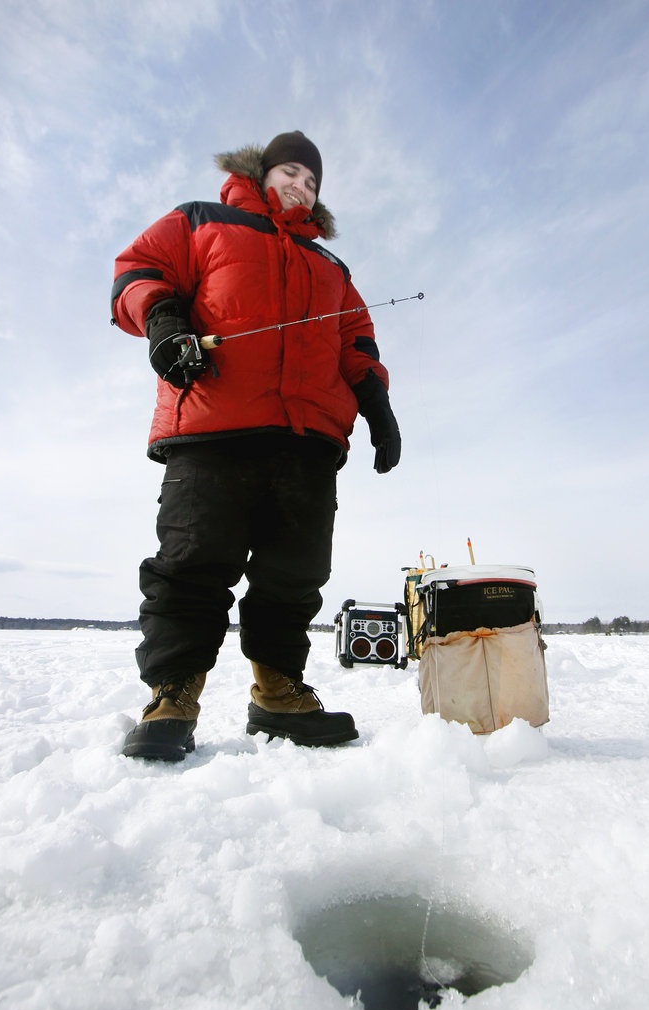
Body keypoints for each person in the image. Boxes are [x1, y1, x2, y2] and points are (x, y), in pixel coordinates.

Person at [111, 131, 401, 761]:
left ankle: (278, 695)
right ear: (263, 172)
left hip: (308, 443)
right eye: (291, 172)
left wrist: (376, 404)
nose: (301, 185)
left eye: (313, 181)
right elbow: (138, 270)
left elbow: (358, 342)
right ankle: (172, 697)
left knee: (293, 577)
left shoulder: (331, 267)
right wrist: (164, 321)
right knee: (192, 565)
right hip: (212, 428)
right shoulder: (201, 222)